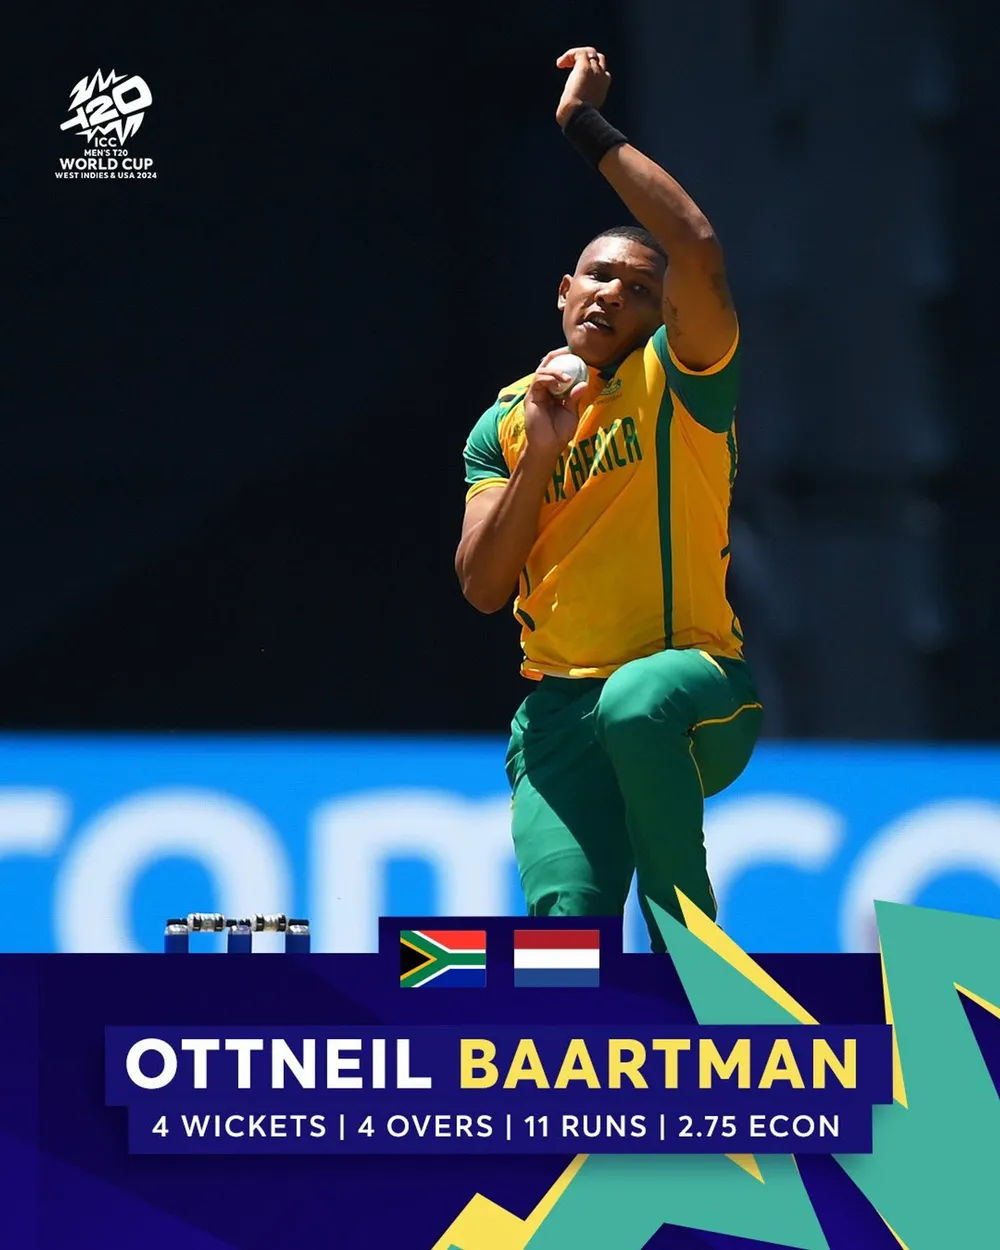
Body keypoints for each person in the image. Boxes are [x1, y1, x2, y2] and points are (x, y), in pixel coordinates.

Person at [455, 46, 763, 951]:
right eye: (598, 277)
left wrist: (583, 126)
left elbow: (695, 245)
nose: (613, 294)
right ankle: (594, 1039)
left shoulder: (683, 376)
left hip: (695, 692)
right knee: (562, 941)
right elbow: (482, 587)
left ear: (665, 315)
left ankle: (689, 956)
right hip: (558, 716)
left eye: (639, 289)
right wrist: (540, 455)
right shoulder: (508, 421)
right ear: (564, 291)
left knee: (636, 700)